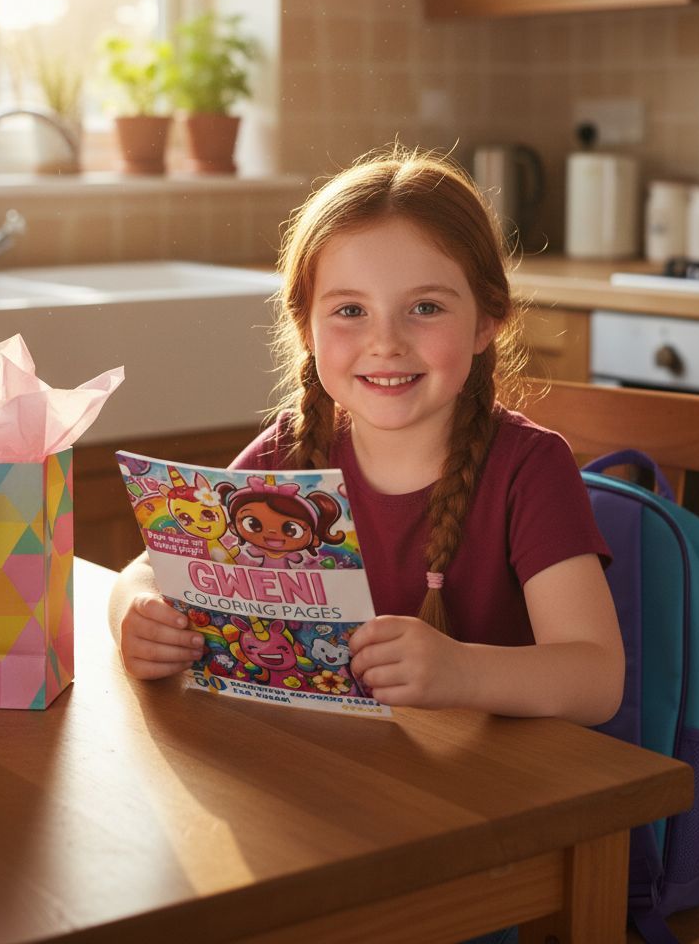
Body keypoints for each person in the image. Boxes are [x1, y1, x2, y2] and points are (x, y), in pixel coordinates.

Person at [109, 145, 624, 944]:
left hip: (484, 841)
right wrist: (135, 611)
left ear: (489, 319)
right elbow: (146, 569)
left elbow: (597, 677)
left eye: (425, 307)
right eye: (350, 310)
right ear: (307, 329)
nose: (385, 342)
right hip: (322, 809)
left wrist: (460, 671)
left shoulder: (531, 467)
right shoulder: (288, 454)